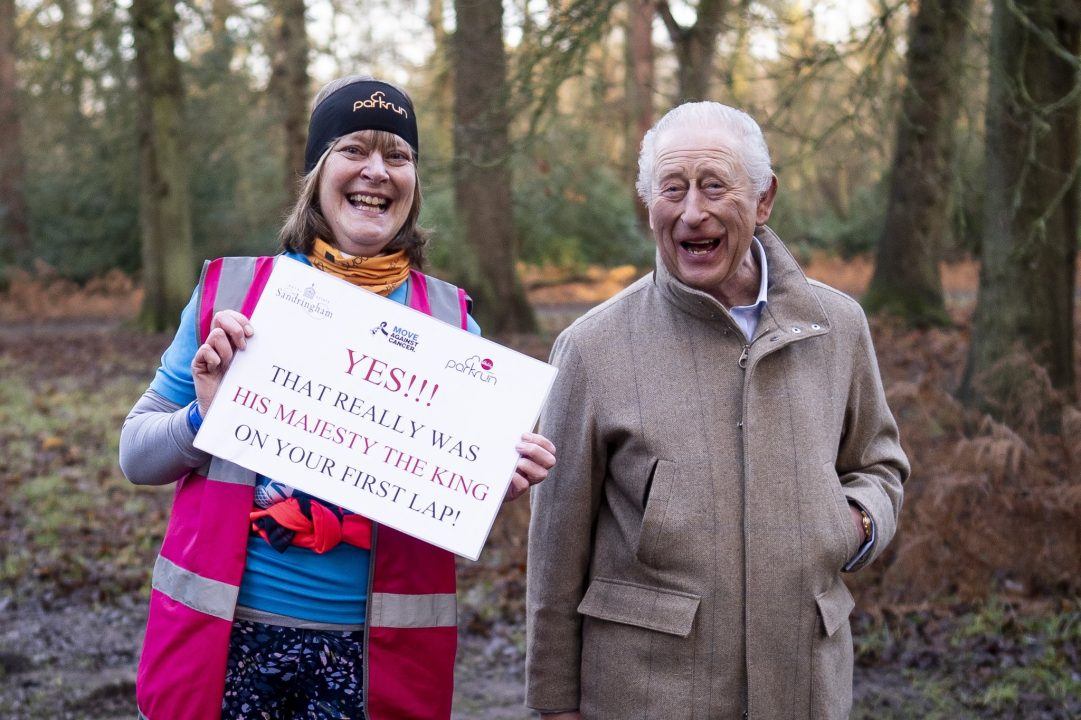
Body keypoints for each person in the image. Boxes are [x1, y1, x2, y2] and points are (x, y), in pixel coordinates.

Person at [119, 75, 556, 720]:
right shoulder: (234, 294)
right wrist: (203, 416)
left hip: (375, 659)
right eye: (354, 149)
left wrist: (496, 481)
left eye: (398, 155)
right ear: (317, 174)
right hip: (228, 643)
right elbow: (135, 456)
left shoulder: (452, 325)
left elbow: (452, 493)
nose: (376, 171)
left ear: (414, 181)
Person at [524, 102, 908, 720]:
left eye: (714, 186)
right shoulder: (591, 349)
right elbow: (555, 553)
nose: (691, 212)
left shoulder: (837, 326)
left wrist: (855, 524)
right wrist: (553, 704)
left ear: (762, 200)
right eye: (671, 189)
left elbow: (879, 465)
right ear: (649, 205)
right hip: (646, 694)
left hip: (804, 685)